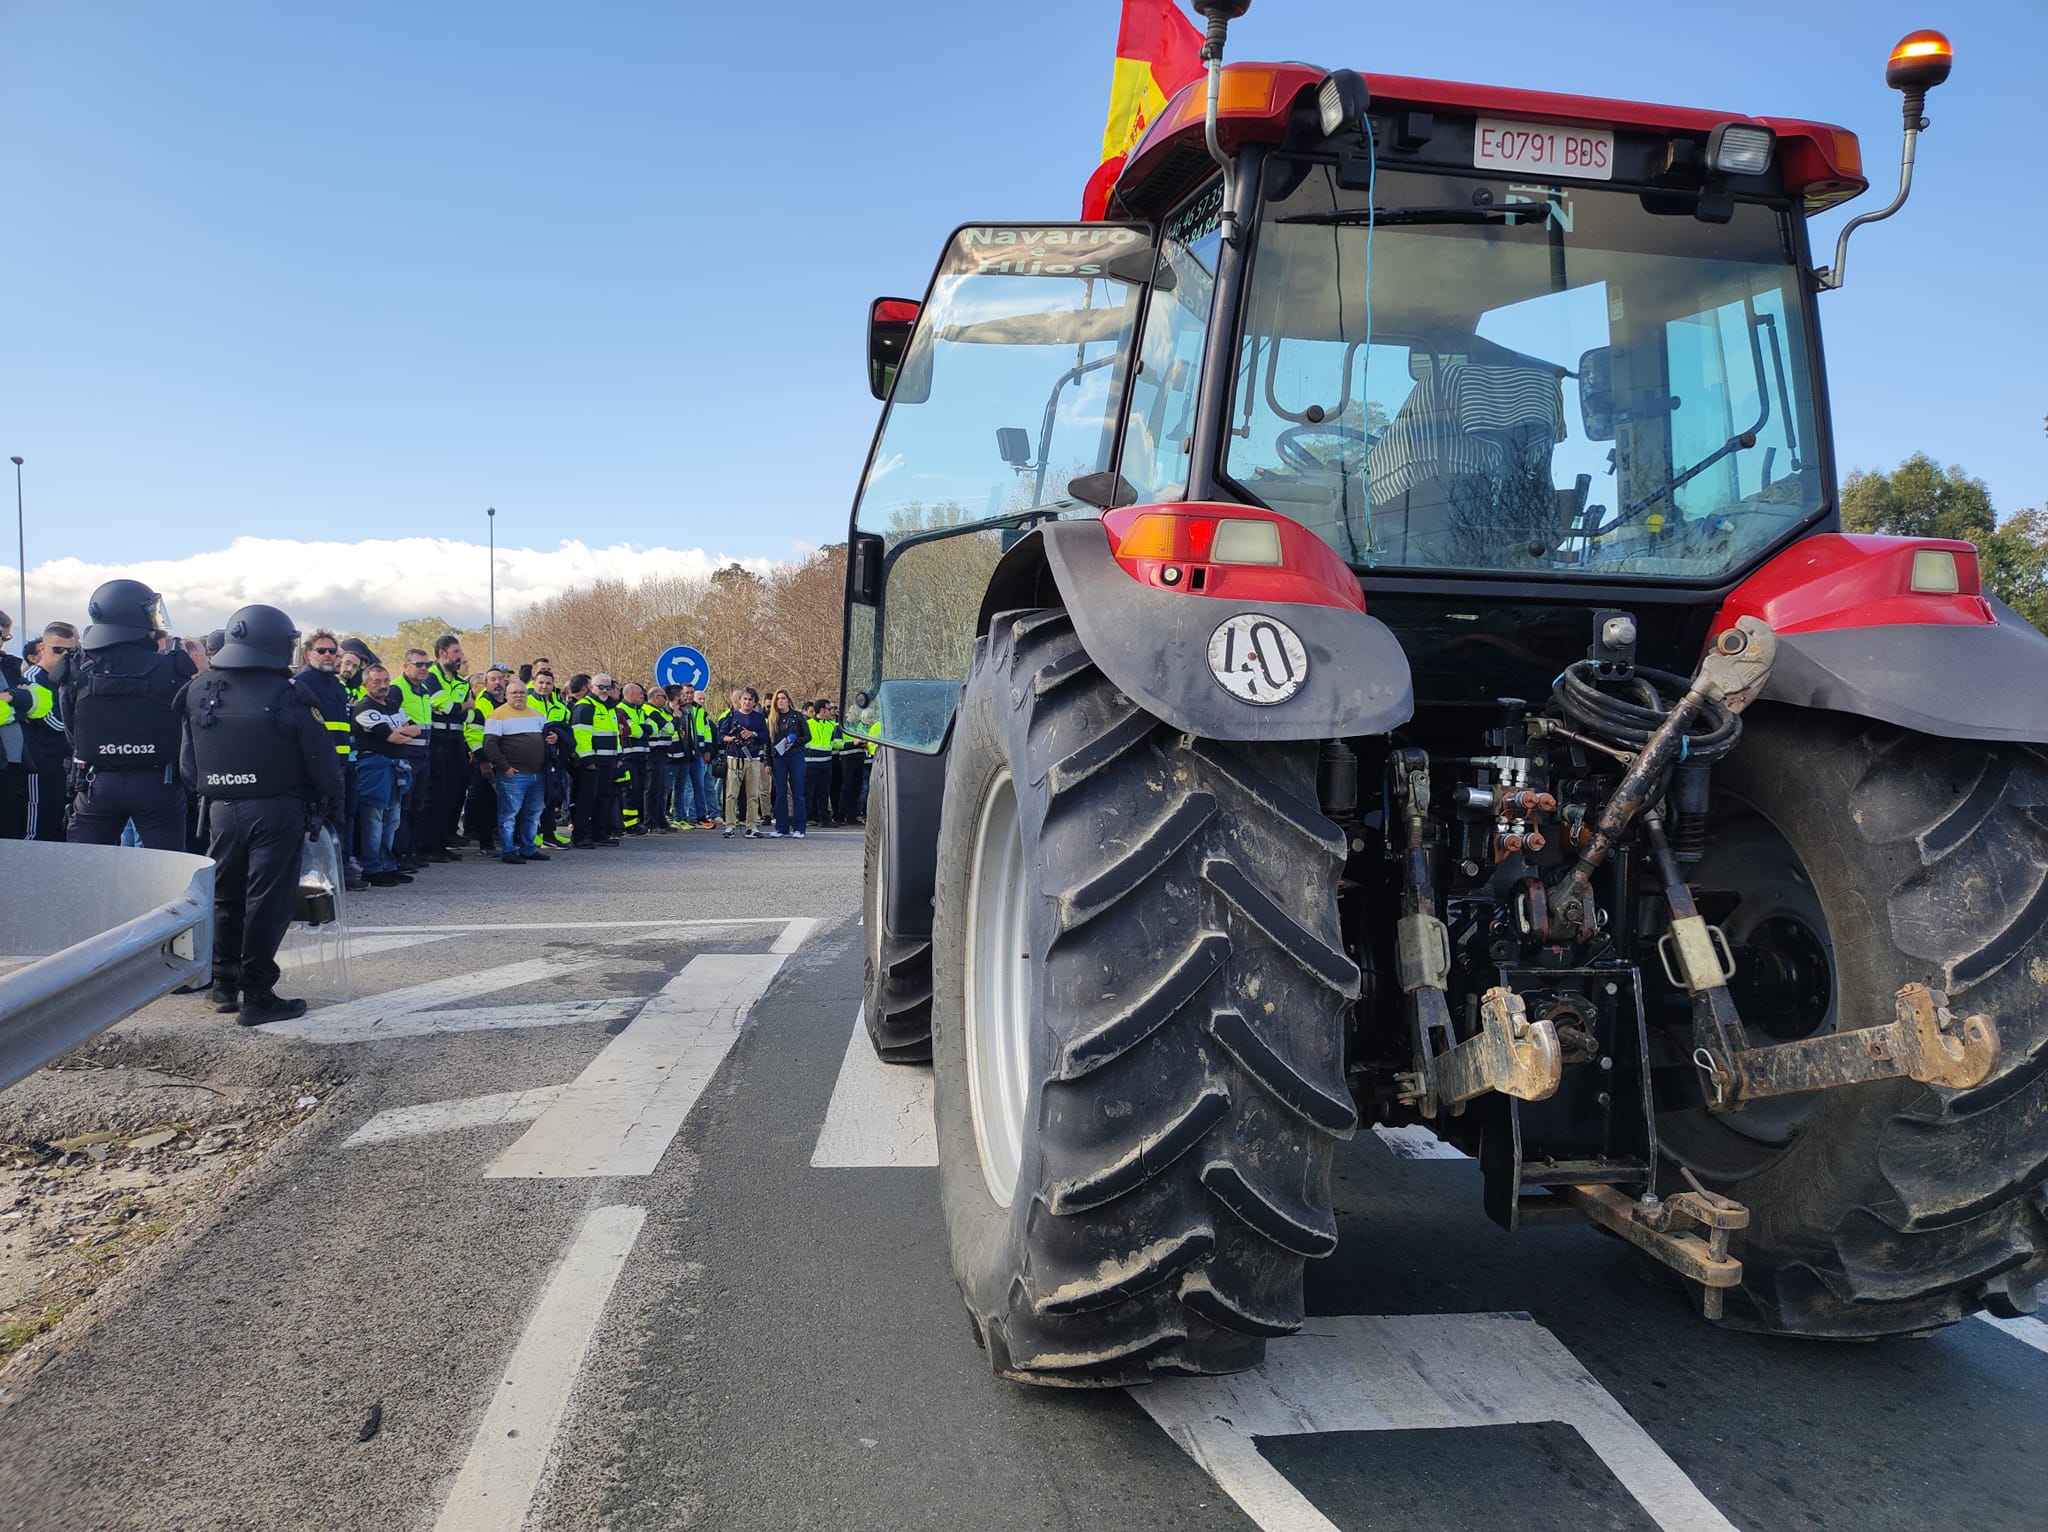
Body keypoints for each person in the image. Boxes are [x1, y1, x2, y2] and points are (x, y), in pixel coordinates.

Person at [179, 604, 344, 1025]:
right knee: (266, 902)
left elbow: (187, 763)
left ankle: (222, 983)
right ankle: (258, 992)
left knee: (226, 898)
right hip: (276, 809)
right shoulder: (288, 694)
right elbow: (320, 759)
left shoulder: (198, 688)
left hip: (219, 809)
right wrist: (329, 801)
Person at [50, 581, 197, 850]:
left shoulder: (76, 668)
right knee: (166, 876)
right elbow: (185, 728)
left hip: (97, 783)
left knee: (86, 870)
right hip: (158, 784)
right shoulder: (172, 666)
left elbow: (72, 730)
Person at [292, 631, 362, 890]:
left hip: (341, 766)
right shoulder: (301, 683)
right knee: (314, 822)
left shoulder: (336, 686)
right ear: (308, 654)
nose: (328, 655)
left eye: (333, 651)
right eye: (322, 651)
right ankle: (310, 877)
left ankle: (338, 873)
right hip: (315, 768)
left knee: (338, 820)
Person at [349, 663, 415, 886]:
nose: (383, 685)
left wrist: (399, 732)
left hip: (397, 766)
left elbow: (416, 729)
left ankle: (389, 864)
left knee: (393, 817)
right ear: (366, 683)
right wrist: (399, 732)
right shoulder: (363, 708)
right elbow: (393, 737)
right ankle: (373, 867)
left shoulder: (394, 704)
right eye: (377, 681)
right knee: (374, 819)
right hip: (374, 767)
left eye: (386, 680)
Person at [482, 678, 551, 865]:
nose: (519, 696)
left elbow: (546, 738)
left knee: (533, 812)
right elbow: (489, 744)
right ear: (506, 695)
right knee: (509, 814)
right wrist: (504, 767)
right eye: (514, 693)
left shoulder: (537, 714)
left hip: (538, 773)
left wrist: (553, 738)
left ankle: (529, 848)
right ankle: (508, 850)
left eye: (522, 692)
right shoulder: (497, 716)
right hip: (514, 774)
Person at [21, 622, 77, 841]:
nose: (64, 655)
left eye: (71, 651)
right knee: (37, 827)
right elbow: (53, 722)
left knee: (59, 826)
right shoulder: (34, 677)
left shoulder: (69, 677)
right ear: (42, 648)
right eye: (58, 649)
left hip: (64, 765)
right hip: (40, 764)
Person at [392, 649, 441, 866]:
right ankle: (399, 854)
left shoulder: (423, 690)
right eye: (418, 664)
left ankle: (411, 852)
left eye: (427, 664)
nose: (424, 669)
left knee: (416, 807)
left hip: (423, 756)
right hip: (406, 756)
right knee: (403, 807)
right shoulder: (397, 688)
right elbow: (391, 720)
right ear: (406, 666)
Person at [424, 633, 470, 858]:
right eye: (456, 652)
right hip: (438, 742)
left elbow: (466, 713)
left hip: (457, 741)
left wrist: (459, 708)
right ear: (442, 653)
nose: (461, 656)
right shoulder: (431, 677)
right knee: (438, 793)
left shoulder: (461, 682)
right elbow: (446, 706)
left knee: (455, 791)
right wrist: (461, 707)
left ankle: (445, 837)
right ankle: (431, 845)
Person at [570, 672, 622, 849]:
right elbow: (580, 735)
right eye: (601, 687)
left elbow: (615, 734)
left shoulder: (609, 707)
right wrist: (587, 759)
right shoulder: (585, 706)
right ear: (591, 687)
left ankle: (600, 833)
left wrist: (619, 755)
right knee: (587, 800)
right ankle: (581, 836)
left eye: (608, 687)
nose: (605, 691)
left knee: (604, 798)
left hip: (609, 760)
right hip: (592, 762)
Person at [719, 686, 769, 840]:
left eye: (750, 700)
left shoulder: (759, 718)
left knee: (753, 794)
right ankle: (730, 825)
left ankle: (751, 826)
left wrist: (752, 734)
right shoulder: (732, 716)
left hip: (753, 758)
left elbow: (765, 737)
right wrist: (733, 739)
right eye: (745, 699)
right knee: (731, 794)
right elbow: (720, 736)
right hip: (734, 758)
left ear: (754, 702)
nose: (747, 702)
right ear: (739, 701)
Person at [765, 688, 808, 839]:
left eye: (783, 698)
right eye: (778, 699)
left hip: (795, 756)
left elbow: (807, 736)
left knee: (798, 793)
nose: (780, 701)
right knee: (780, 793)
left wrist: (795, 742)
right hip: (778, 758)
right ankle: (781, 828)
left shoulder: (797, 717)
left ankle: (799, 828)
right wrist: (767, 762)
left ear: (788, 700)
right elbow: (769, 743)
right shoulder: (772, 719)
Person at [802, 698, 836, 827]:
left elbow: (835, 743)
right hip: (810, 763)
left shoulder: (832, 725)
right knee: (807, 792)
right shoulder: (808, 724)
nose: (831, 711)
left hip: (826, 763)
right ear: (822, 710)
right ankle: (803, 818)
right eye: (829, 709)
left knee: (824, 792)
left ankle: (825, 819)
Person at [833, 699, 867, 826]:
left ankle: (852, 817)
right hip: (847, 759)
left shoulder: (859, 726)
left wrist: (864, 744)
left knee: (857, 788)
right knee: (847, 788)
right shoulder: (840, 726)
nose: (856, 714)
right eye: (854, 712)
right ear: (848, 712)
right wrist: (853, 743)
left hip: (859, 757)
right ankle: (840, 817)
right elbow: (836, 744)